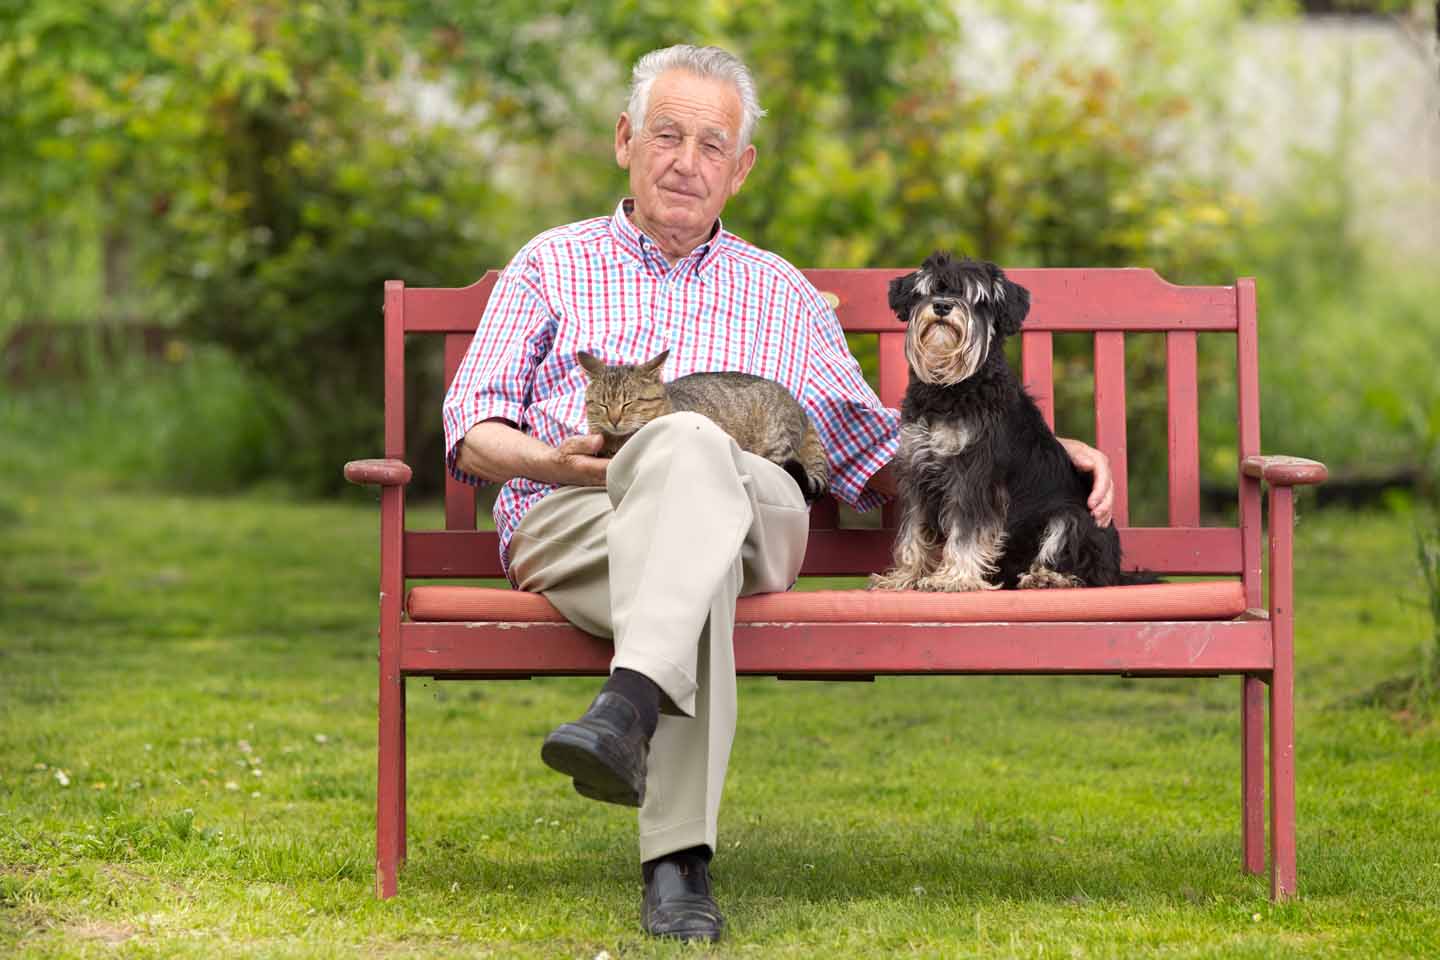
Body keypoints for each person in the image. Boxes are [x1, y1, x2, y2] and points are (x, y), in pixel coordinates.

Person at [442, 44, 1114, 943]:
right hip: (579, 518)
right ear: (624, 141)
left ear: (742, 168)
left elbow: (881, 447)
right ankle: (674, 858)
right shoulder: (548, 264)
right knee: (696, 556)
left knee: (686, 443)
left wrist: (1037, 448)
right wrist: (566, 467)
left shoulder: (782, 291)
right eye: (667, 135)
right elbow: (470, 429)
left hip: (757, 513)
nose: (686, 161)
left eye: (712, 144)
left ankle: (626, 711)